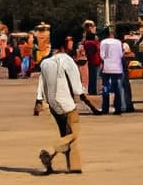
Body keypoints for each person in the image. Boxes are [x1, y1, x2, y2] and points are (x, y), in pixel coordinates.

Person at [34, 39, 97, 176]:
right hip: (67, 104)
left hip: (53, 105)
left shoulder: (45, 63)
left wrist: (39, 100)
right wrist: (90, 104)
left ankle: (74, 166)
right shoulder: (67, 60)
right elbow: (76, 88)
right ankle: (49, 151)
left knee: (66, 134)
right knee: (74, 134)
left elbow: (41, 82)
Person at [98, 28, 127, 116]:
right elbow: (121, 55)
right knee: (118, 89)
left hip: (107, 67)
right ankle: (118, 108)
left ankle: (105, 108)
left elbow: (102, 55)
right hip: (117, 68)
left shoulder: (103, 42)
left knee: (106, 88)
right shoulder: (118, 42)